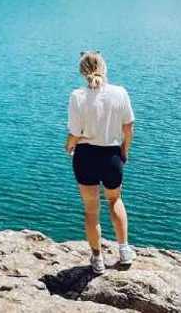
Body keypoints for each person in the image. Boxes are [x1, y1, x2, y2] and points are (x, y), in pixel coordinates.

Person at [65, 50, 135, 274]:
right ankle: (124, 251)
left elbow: (75, 133)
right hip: (112, 156)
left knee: (91, 210)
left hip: (85, 157)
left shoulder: (77, 96)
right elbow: (128, 127)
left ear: (82, 72)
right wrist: (124, 150)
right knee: (115, 201)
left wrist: (69, 146)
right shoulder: (120, 93)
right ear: (104, 68)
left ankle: (97, 260)